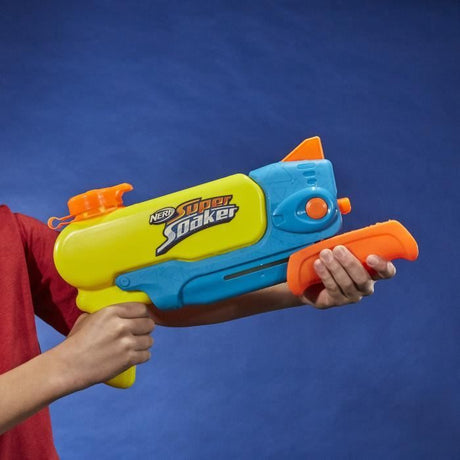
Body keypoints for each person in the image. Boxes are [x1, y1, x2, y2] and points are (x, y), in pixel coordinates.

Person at [0, 205, 395, 458]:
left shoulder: (9, 231)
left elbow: (151, 293)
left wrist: (299, 282)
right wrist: (66, 365)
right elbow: (76, 356)